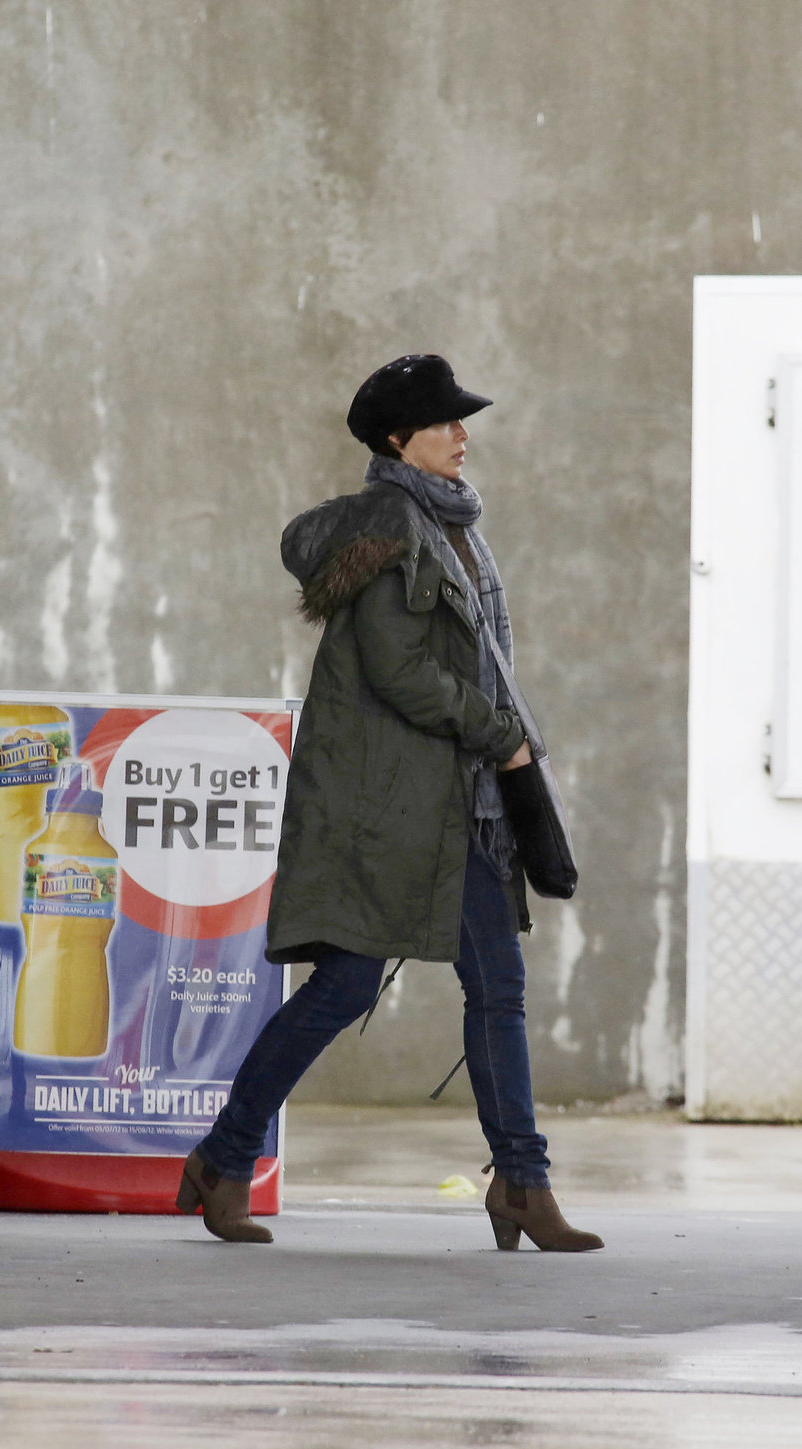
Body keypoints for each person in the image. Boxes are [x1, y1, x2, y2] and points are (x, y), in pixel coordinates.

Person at [179, 354, 602, 1253]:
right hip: (397, 810)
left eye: (461, 421)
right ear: (396, 440)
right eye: (444, 423)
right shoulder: (390, 528)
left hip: (461, 805)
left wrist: (496, 748)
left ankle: (522, 1184)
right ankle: (223, 1158)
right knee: (342, 986)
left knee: (498, 987)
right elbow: (400, 671)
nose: (462, 434)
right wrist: (499, 732)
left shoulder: (450, 525)